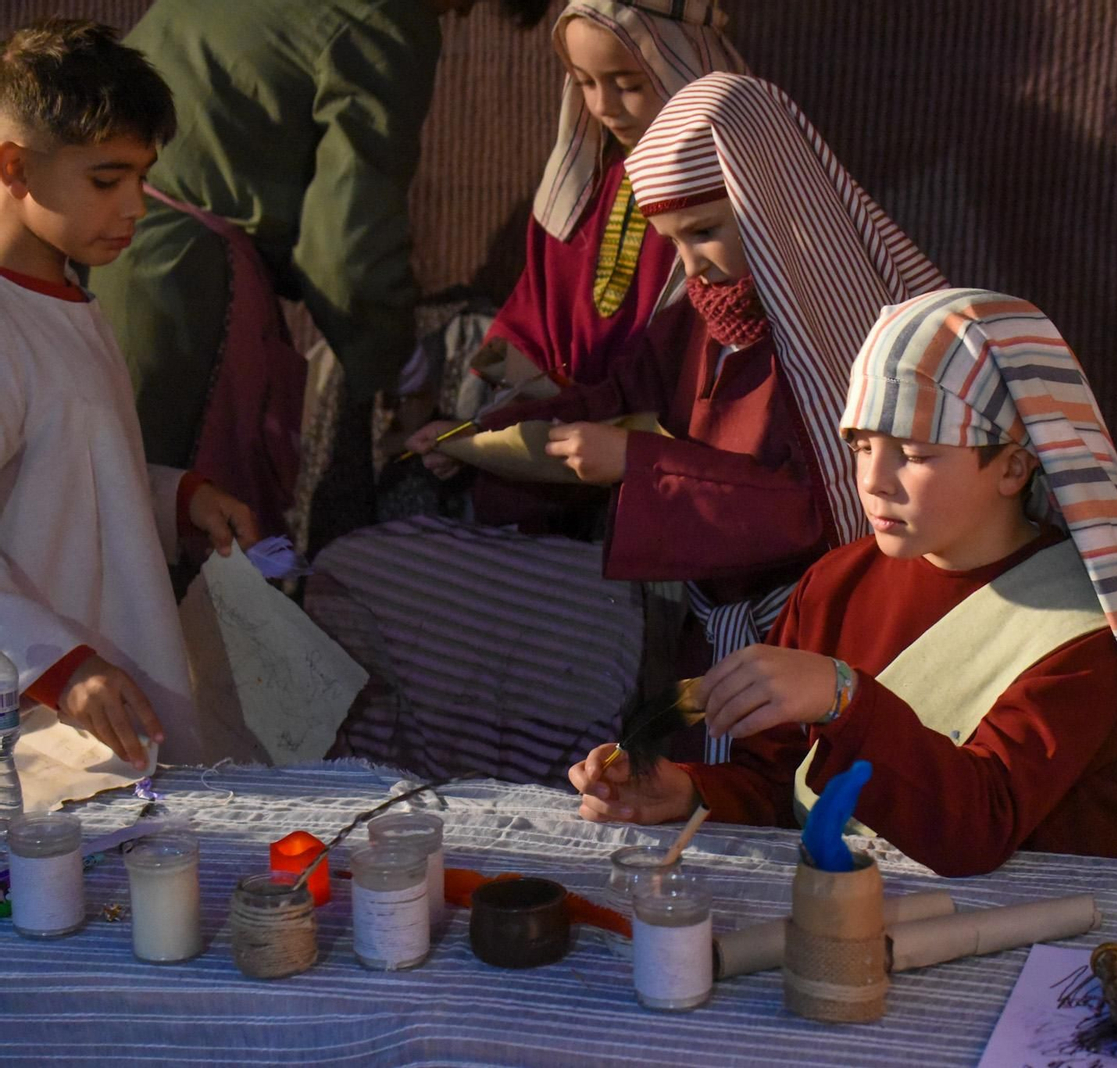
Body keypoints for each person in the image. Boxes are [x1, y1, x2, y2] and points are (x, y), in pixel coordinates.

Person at [310, 72, 944, 784]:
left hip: (819, 635)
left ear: (769, 206)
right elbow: (617, 392)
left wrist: (636, 465)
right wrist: (483, 437)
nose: (692, 265)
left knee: (796, 792)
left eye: (705, 233)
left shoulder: (846, 339)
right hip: (714, 630)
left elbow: (815, 507)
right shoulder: (700, 319)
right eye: (674, 243)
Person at [569, 288, 1117, 877]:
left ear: (1013, 468)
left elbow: (980, 828)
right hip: (846, 916)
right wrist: (684, 791)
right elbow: (779, 784)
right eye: (860, 445)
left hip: (1032, 944)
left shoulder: (1086, 635)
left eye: (913, 454)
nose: (874, 480)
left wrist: (843, 697)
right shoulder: (837, 582)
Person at [89, 0, 550, 540]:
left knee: (96, 504)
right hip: (179, 285)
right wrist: (402, 374)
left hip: (92, 236)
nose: (462, 13)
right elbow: (349, 249)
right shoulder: (382, 18)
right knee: (165, 536)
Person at [0, 20, 260, 769]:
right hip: (41, 743)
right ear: (16, 166)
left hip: (109, 718)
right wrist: (57, 665)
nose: (136, 207)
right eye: (106, 180)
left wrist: (177, 498)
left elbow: (66, 478)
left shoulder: (70, 302)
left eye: (142, 178)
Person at [411, 0, 745, 537]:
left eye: (628, 83)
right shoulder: (589, 179)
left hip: (668, 452)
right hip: (557, 429)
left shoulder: (722, 199)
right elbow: (536, 309)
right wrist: (486, 423)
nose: (604, 105)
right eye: (585, 82)